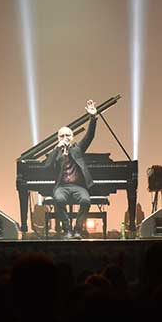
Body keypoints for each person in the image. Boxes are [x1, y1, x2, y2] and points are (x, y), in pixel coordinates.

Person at [45, 100, 98, 239]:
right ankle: (67, 230)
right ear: (58, 138)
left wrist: (92, 118)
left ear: (72, 137)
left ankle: (78, 229)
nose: (65, 138)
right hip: (62, 186)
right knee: (58, 199)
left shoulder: (77, 149)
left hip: (78, 186)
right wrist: (57, 148)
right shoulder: (55, 152)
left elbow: (90, 136)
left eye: (68, 135)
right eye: (62, 136)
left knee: (86, 201)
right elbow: (47, 166)